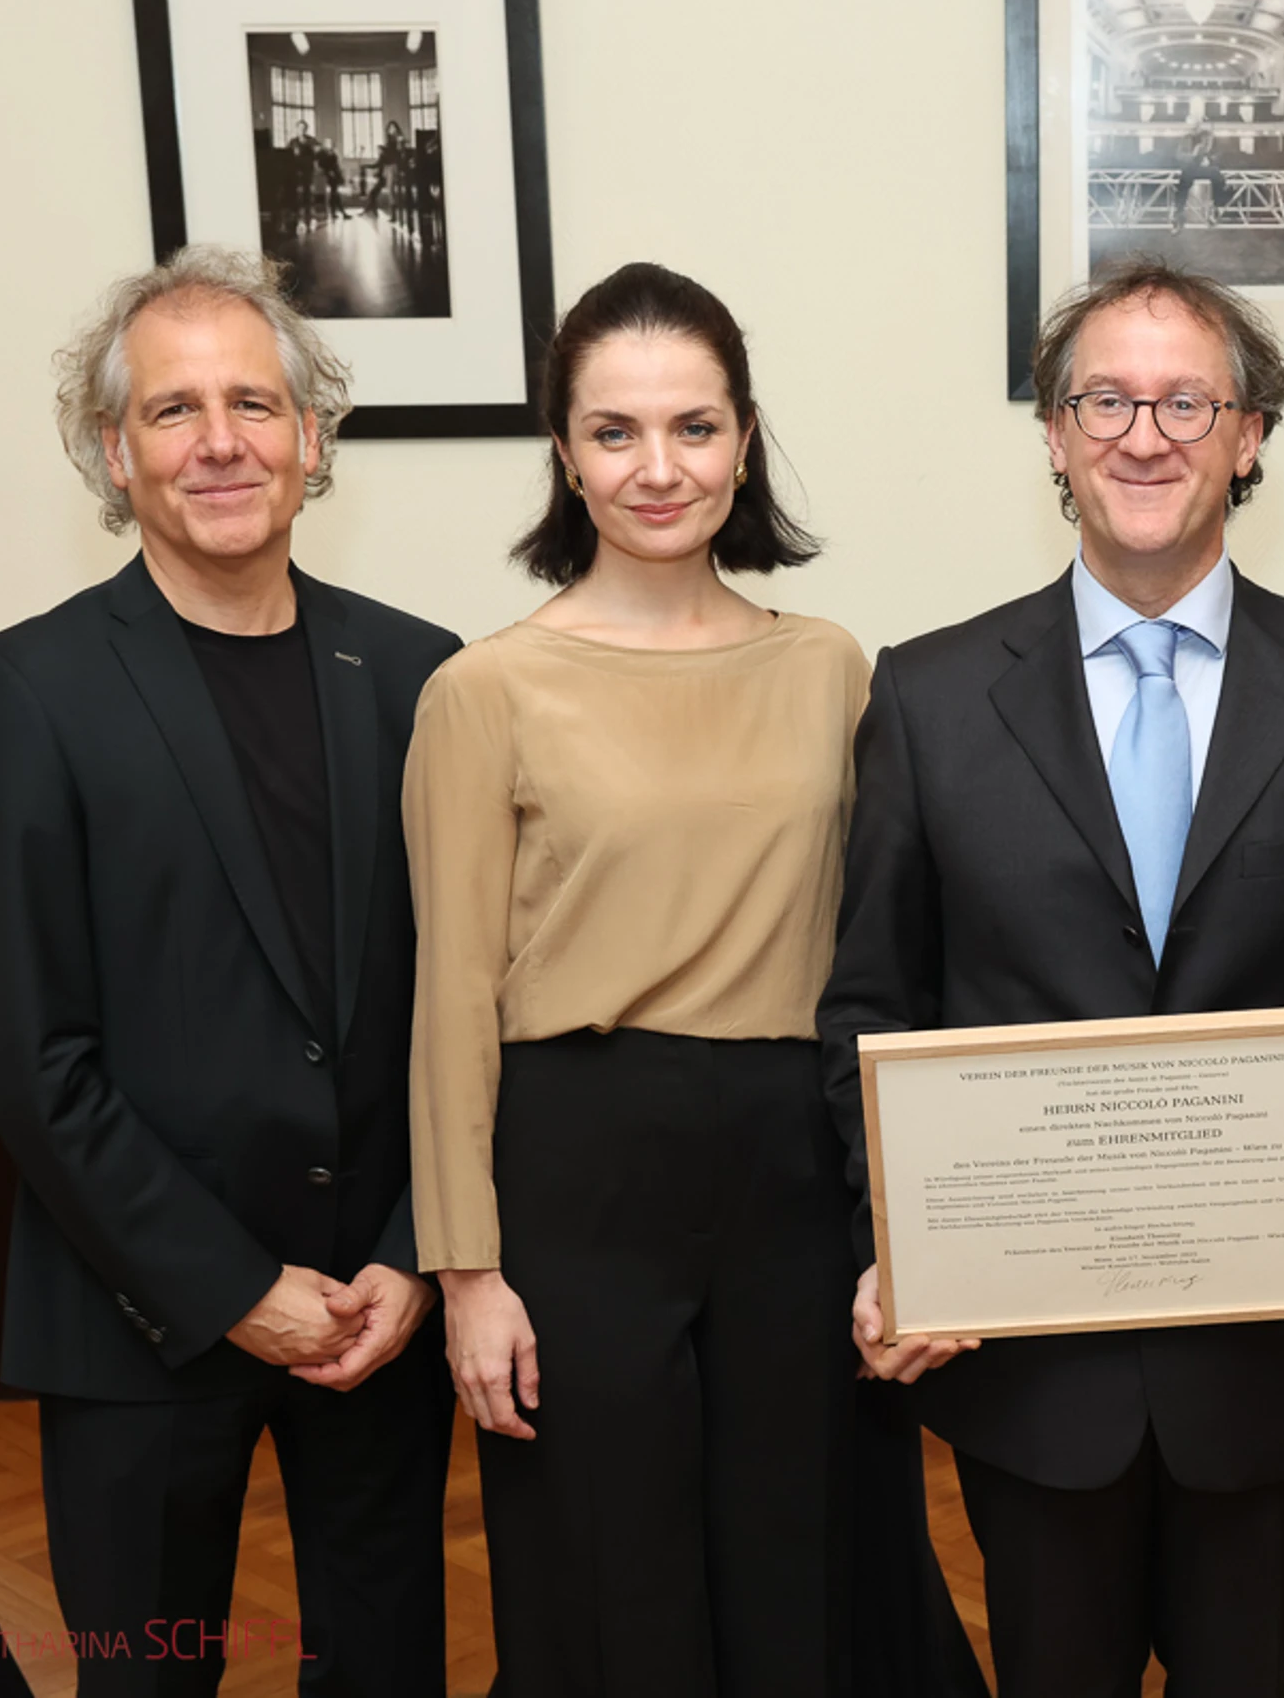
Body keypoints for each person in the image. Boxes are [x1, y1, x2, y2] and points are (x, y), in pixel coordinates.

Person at [818, 256, 1284, 1698]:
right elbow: (871, 1005)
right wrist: (895, 1245)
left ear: (1249, 437)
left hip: (1270, 1366)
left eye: (1188, 402)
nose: (1145, 434)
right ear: (1054, 437)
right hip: (1029, 1365)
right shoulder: (928, 699)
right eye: (1105, 400)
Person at [0, 244, 460, 1696]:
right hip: (140, 1313)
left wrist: (411, 1252)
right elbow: (29, 1054)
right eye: (174, 409)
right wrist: (230, 1285)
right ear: (117, 452)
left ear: (310, 437)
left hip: (375, 1310)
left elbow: (463, 1003)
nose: (220, 441)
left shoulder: (422, 675)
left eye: (253, 403)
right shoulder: (31, 693)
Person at [403, 262, 871, 1694]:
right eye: (616, 431)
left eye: (694, 426)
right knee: (609, 1579)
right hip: (578, 1175)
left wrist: (904, 1223)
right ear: (565, 453)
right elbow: (451, 999)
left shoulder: (833, 670)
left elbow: (882, 964)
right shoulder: (484, 689)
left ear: (746, 439)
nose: (659, 468)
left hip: (797, 1172)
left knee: (804, 1565)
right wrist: (468, 1272)